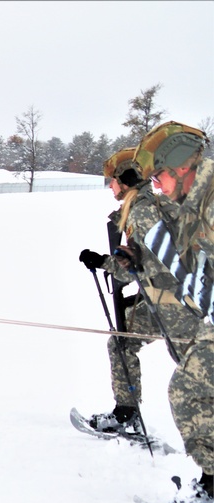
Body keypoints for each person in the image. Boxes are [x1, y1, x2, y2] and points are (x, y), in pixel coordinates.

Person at [120, 121, 213, 503]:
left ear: (180, 167)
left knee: (189, 390)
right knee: (192, 388)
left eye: (159, 176)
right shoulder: (196, 201)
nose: (156, 185)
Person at [76, 150, 201, 438]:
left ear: (127, 179)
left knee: (195, 371)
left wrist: (112, 264)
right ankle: (126, 413)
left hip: (176, 305)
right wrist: (108, 263)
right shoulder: (140, 207)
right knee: (121, 343)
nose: (110, 186)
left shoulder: (143, 210)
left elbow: (156, 262)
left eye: (113, 180)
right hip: (157, 299)